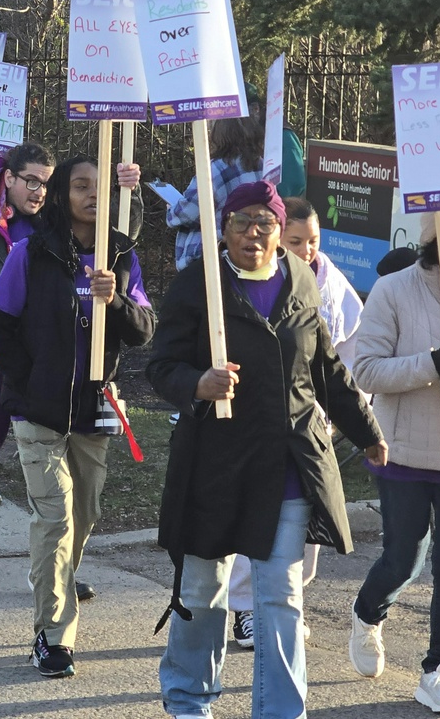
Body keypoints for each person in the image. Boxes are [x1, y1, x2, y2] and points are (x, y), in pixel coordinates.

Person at [148, 179, 386, 719]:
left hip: (286, 465)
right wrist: (198, 383)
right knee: (204, 589)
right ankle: (188, 700)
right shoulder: (197, 286)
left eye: (265, 223)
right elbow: (161, 366)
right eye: (241, 222)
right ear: (224, 229)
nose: (253, 232)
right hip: (215, 464)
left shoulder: (302, 279)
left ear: (280, 232)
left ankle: (281, 711)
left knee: (281, 597)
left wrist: (368, 431)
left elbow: (326, 368)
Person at [0, 145, 142, 583]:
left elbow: (113, 246)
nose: (40, 192)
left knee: (66, 473)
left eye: (47, 182)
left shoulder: (56, 223)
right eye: (32, 181)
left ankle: (54, 565)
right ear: (8, 178)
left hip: (49, 363)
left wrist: (128, 193)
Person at [0, 153, 155, 678]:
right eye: (80, 185)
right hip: (40, 412)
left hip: (93, 410)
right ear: (63, 194)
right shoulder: (31, 253)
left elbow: (144, 329)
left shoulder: (121, 258)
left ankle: (53, 580)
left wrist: (117, 301)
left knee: (83, 516)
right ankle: (53, 636)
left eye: (99, 188)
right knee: (54, 519)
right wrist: (31, 380)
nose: (90, 194)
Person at [347, 209, 440, 715]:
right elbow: (366, 369)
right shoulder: (393, 290)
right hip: (403, 450)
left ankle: (438, 671)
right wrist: (432, 364)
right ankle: (366, 615)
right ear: (433, 241)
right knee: (405, 559)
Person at [226, 195, 366, 647]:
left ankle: (289, 602)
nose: (307, 251)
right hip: (256, 423)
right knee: (259, 514)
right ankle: (246, 609)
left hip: (312, 428)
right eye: (296, 241)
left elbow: (347, 352)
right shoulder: (250, 281)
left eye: (313, 242)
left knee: (305, 523)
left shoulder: (328, 282)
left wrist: (354, 416)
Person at [167, 103, 264, 271]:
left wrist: (171, 210)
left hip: (211, 255)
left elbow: (185, 213)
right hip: (250, 249)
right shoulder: (261, 164)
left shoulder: (214, 169)